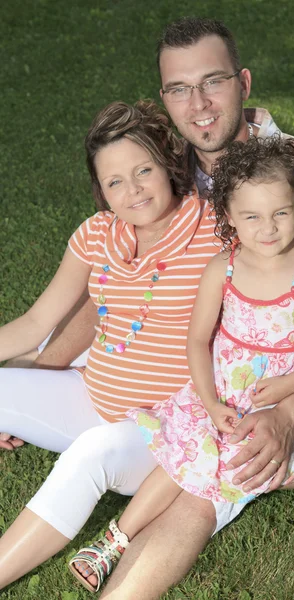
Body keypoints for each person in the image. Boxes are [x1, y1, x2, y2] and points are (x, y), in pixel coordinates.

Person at [0, 17, 294, 600]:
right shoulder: (160, 166)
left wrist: (289, 412)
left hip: (257, 390)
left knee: (196, 494)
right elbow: (114, 294)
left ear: (245, 82)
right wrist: (42, 371)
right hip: (176, 379)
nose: (198, 105)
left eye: (214, 82)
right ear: (164, 98)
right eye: (179, 89)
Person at [68, 135, 294, 593]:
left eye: (280, 213)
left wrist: (288, 389)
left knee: (239, 463)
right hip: (222, 392)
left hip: (285, 391)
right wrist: (206, 400)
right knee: (180, 452)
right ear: (228, 217)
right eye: (251, 216)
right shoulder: (221, 269)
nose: (268, 228)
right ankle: (117, 539)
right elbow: (197, 340)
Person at [0, 99, 222, 590]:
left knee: (93, 453)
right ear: (100, 189)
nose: (133, 190)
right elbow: (36, 321)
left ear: (167, 165)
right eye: (114, 181)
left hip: (160, 433)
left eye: (143, 170)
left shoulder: (216, 231)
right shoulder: (98, 234)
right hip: (92, 395)